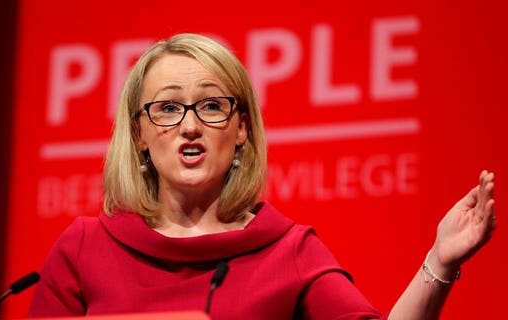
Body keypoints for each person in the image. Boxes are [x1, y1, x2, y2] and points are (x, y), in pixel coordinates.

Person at [28, 33, 497, 319]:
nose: (190, 125)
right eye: (168, 108)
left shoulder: (287, 251)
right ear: (139, 135)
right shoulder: (85, 248)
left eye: (211, 105)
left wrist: (441, 259)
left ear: (242, 130)